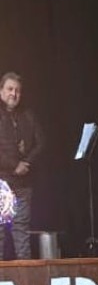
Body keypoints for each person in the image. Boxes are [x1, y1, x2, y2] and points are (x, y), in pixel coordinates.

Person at [0, 72, 44, 260]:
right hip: (2, 183)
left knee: (22, 235)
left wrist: (26, 163)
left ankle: (25, 283)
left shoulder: (28, 114)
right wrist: (14, 166)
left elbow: (41, 142)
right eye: (10, 89)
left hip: (24, 184)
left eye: (17, 90)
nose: (14, 93)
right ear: (1, 92)